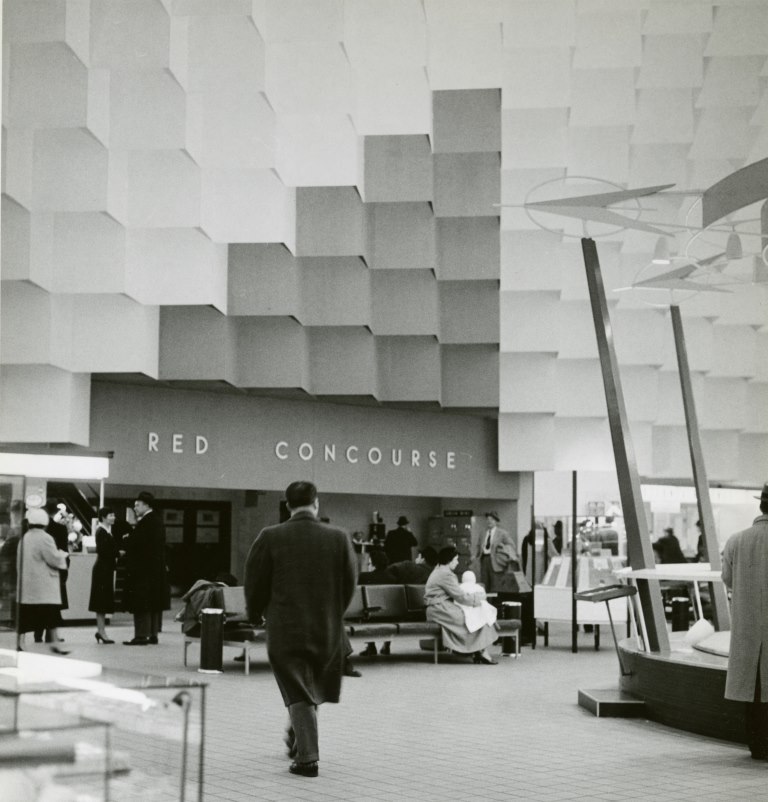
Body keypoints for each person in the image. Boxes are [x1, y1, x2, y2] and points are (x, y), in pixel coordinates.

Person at [244, 481, 357, 778]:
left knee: (297, 687)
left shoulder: (270, 536)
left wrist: (255, 614)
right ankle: (297, 737)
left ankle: (307, 759)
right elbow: (349, 584)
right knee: (309, 684)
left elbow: (255, 581)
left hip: (285, 627)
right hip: (326, 627)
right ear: (316, 504)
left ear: (287, 505)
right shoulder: (339, 537)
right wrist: (334, 612)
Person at [721, 481, 768, 761]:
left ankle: (757, 744)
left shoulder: (737, 540)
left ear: (760, 504)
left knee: (753, 687)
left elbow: (727, 579)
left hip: (748, 626)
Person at [424, 545, 498, 664]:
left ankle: (478, 650)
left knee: (471, 617)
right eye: (456, 559)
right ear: (449, 560)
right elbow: (461, 597)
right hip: (440, 609)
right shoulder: (446, 575)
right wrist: (478, 599)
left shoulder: (438, 570)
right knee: (470, 618)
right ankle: (479, 650)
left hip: (437, 609)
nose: (457, 563)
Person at [17, 507, 69, 654]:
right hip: (44, 586)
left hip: (28, 587)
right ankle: (54, 645)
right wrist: (62, 556)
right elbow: (53, 558)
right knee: (51, 617)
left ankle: (20, 643)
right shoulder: (45, 538)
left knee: (25, 619)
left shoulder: (25, 538)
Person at [122, 491, 170, 646]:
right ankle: (153, 634)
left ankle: (141, 635)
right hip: (155, 569)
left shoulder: (146, 522)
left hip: (143, 570)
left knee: (141, 602)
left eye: (137, 505)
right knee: (153, 602)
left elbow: (138, 544)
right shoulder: (157, 520)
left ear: (146, 505)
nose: (135, 508)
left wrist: (128, 539)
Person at [88, 506, 119, 644]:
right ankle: (101, 631)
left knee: (102, 601)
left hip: (104, 569)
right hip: (102, 569)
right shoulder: (102, 532)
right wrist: (118, 553)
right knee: (101, 601)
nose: (113, 517)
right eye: (111, 515)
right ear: (104, 517)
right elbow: (103, 550)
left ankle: (101, 631)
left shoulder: (106, 531)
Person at [475, 511, 520, 595]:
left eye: (491, 519)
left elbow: (511, 545)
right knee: (484, 584)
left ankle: (495, 605)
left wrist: (501, 549)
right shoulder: (483, 533)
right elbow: (478, 545)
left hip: (497, 561)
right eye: (487, 519)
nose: (489, 521)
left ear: (496, 521)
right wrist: (475, 556)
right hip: (484, 559)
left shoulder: (502, 533)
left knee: (496, 584)